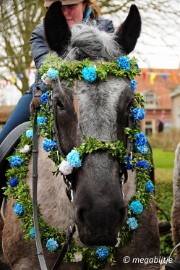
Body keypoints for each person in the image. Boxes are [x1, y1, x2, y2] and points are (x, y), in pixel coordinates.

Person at [0, 0, 114, 145]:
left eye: (71, 7)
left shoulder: (104, 27)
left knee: (139, 143)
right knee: (2, 141)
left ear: (85, 4)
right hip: (46, 91)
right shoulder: (40, 32)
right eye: (59, 8)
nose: (65, 13)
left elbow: (108, 63)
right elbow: (45, 66)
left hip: (96, 94)